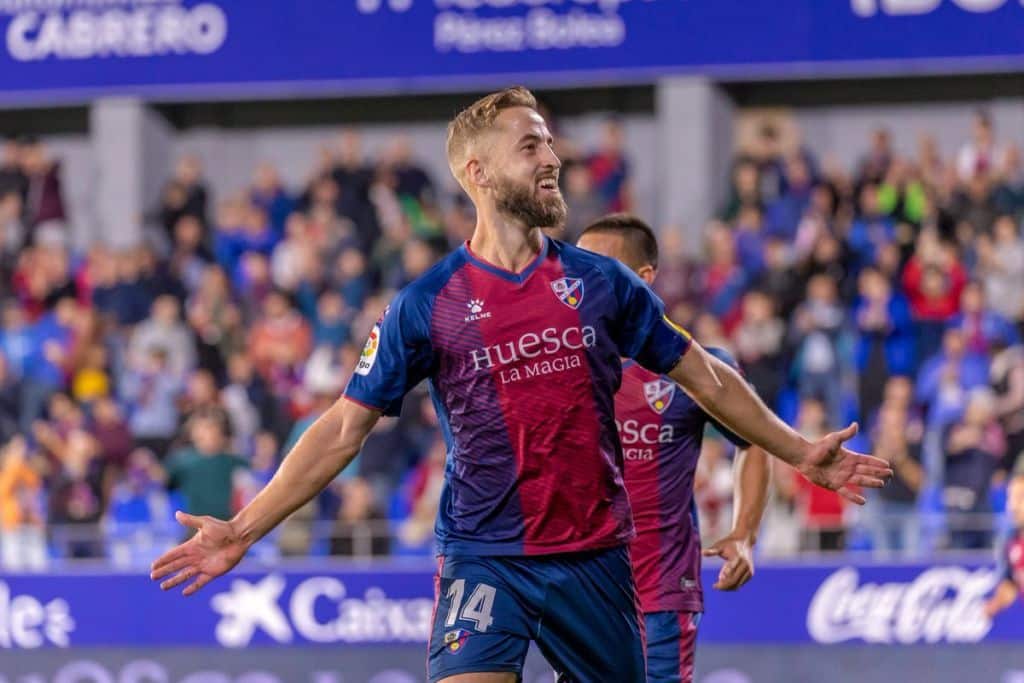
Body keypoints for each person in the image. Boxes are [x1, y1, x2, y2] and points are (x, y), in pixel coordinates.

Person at [151, 87, 891, 683]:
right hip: (485, 553)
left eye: (550, 141)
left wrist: (797, 448)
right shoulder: (427, 303)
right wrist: (244, 528)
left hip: (598, 556)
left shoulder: (601, 283)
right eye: (529, 144)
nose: (552, 157)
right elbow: (344, 428)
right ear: (477, 173)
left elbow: (704, 375)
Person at [577, 213, 771, 683]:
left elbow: (755, 443)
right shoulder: (559, 362)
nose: (579, 279)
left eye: (596, 266)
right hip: (581, 595)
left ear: (642, 279)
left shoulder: (697, 369)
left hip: (661, 591)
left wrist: (743, 531)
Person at [985, 458, 1024, 618]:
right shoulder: (1010, 542)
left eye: (1020, 498)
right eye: (1010, 498)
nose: (1012, 506)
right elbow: (1011, 584)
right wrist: (995, 604)